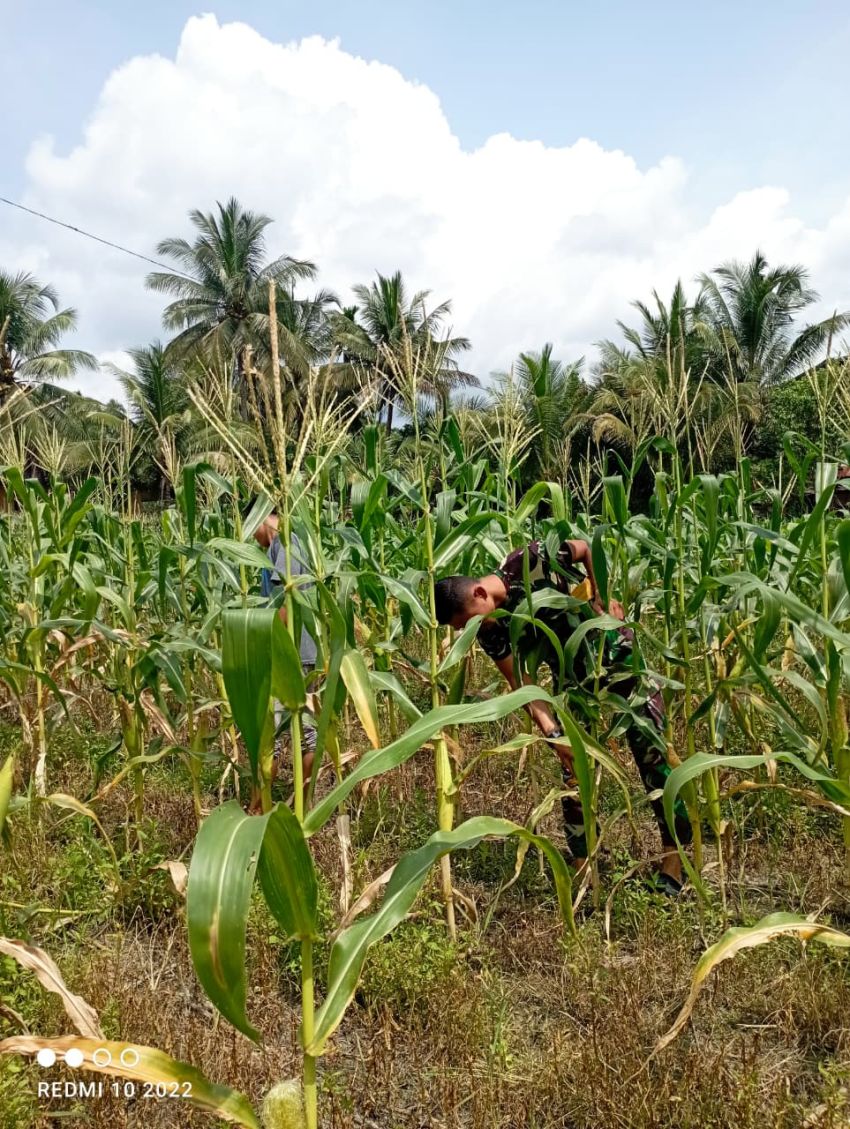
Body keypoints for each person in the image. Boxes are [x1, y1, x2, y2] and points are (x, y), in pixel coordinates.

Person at [434, 537, 692, 894]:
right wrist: (555, 735)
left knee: (652, 758)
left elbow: (586, 548)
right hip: (574, 682)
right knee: (574, 776)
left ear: (479, 593)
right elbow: (520, 683)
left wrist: (600, 595)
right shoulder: (490, 632)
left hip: (617, 658)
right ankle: (583, 864)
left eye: (465, 622)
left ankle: (674, 857)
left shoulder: (529, 561)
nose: (466, 632)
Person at [251, 508, 318, 790]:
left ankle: (270, 803)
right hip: (298, 651)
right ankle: (299, 799)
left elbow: (283, 606)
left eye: (251, 530)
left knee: (277, 731)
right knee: (300, 728)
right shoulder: (283, 545)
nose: (253, 540)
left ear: (260, 519)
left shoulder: (287, 544)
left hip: (292, 653)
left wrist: (270, 648)